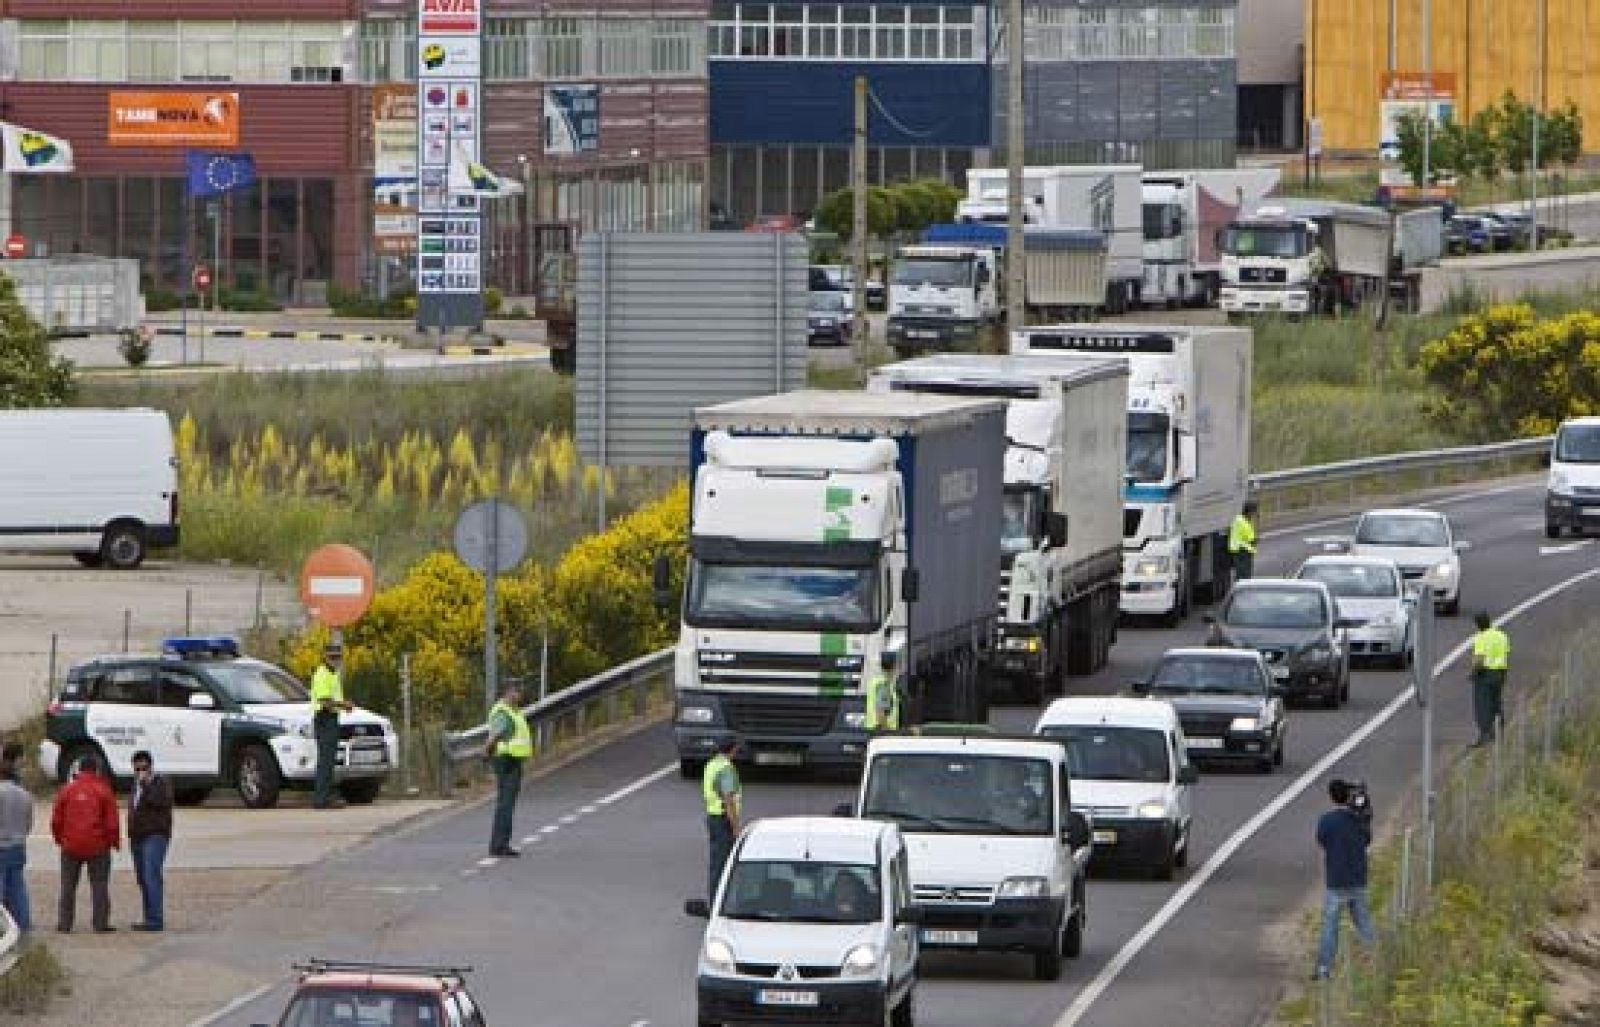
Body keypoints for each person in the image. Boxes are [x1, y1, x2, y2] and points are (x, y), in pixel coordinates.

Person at [1313, 778, 1375, 980]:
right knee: (1363, 922)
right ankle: (1375, 960)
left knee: (1330, 926)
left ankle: (1324, 969)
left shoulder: (1327, 821)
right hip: (1358, 877)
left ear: (1332, 797)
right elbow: (1367, 839)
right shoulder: (1358, 820)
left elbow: (1321, 840)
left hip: (1336, 880)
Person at [52, 757, 120, 933]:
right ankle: (100, 923)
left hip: (70, 845)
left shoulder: (66, 790)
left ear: (79, 769)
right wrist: (113, 842)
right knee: (99, 885)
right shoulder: (104, 790)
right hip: (98, 846)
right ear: (96, 770)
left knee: (68, 886)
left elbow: (56, 820)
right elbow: (112, 822)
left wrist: (61, 840)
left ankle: (65, 924)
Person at [482, 684, 532, 858]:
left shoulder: (513, 710)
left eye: (520, 691)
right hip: (507, 760)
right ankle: (498, 845)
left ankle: (502, 843)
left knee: (507, 802)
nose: (520, 694)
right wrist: (486, 752)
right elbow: (495, 735)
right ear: (508, 692)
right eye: (517, 691)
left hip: (512, 759)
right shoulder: (503, 712)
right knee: (506, 803)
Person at [127, 750, 173, 932]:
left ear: (150, 766)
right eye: (137, 768)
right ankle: (148, 917)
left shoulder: (162, 783)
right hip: (137, 836)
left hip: (155, 834)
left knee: (151, 874)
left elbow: (159, 802)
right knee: (142, 878)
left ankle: (155, 920)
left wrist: (146, 784)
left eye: (143, 767)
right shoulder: (134, 786)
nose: (140, 772)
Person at [310, 641, 353, 810]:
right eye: (332, 657)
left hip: (331, 718)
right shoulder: (322, 674)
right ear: (325, 657)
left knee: (329, 760)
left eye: (338, 657)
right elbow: (324, 701)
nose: (335, 660)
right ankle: (321, 798)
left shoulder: (332, 673)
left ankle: (326, 796)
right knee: (326, 761)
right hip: (325, 718)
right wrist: (344, 705)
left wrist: (341, 705)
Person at [702, 737, 743, 903]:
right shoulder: (726, 769)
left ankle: (714, 899)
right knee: (722, 863)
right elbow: (728, 799)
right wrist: (735, 826)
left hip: (712, 816)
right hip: (723, 819)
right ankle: (717, 903)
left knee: (715, 862)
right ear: (732, 749)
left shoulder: (712, 764)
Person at [0, 742, 33, 931]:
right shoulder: (25, 795)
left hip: (1, 845)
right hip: (18, 846)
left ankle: (3, 929)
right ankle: (23, 925)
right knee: (18, 890)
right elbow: (28, 824)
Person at [1468, 612, 1510, 747]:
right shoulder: (1502, 636)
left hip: (1485, 674)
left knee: (1483, 704)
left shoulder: (1481, 638)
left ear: (1478, 625)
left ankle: (1485, 734)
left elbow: (1479, 659)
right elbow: (1506, 652)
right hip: (1501, 672)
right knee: (1496, 700)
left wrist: (1473, 673)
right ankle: (1499, 728)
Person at [863, 650, 901, 733]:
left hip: (875, 730)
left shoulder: (876, 681)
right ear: (893, 666)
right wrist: (886, 730)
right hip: (882, 731)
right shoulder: (884, 685)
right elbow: (880, 712)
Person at [1228, 500, 1259, 581]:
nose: (1254, 515)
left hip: (1241, 551)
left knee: (1241, 575)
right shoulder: (1243, 523)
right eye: (1254, 512)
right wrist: (1256, 540)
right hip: (1243, 552)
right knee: (1244, 576)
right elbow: (1251, 539)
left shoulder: (1240, 520)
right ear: (1249, 512)